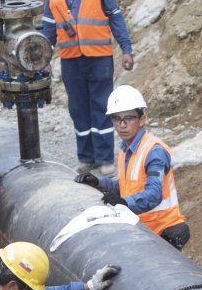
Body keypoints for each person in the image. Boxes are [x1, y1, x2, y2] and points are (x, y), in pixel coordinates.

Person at [42, 0, 134, 175]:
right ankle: (86, 158)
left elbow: (115, 17)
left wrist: (126, 49)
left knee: (101, 106)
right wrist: (44, 59)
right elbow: (48, 27)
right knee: (78, 109)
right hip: (70, 58)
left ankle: (104, 159)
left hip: (99, 57)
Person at [73, 85, 190, 250]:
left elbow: (154, 195)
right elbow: (125, 187)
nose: (122, 125)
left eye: (129, 118)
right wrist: (97, 182)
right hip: (141, 226)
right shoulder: (125, 149)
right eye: (117, 118)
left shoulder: (154, 151)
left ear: (142, 118)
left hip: (163, 230)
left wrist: (125, 203)